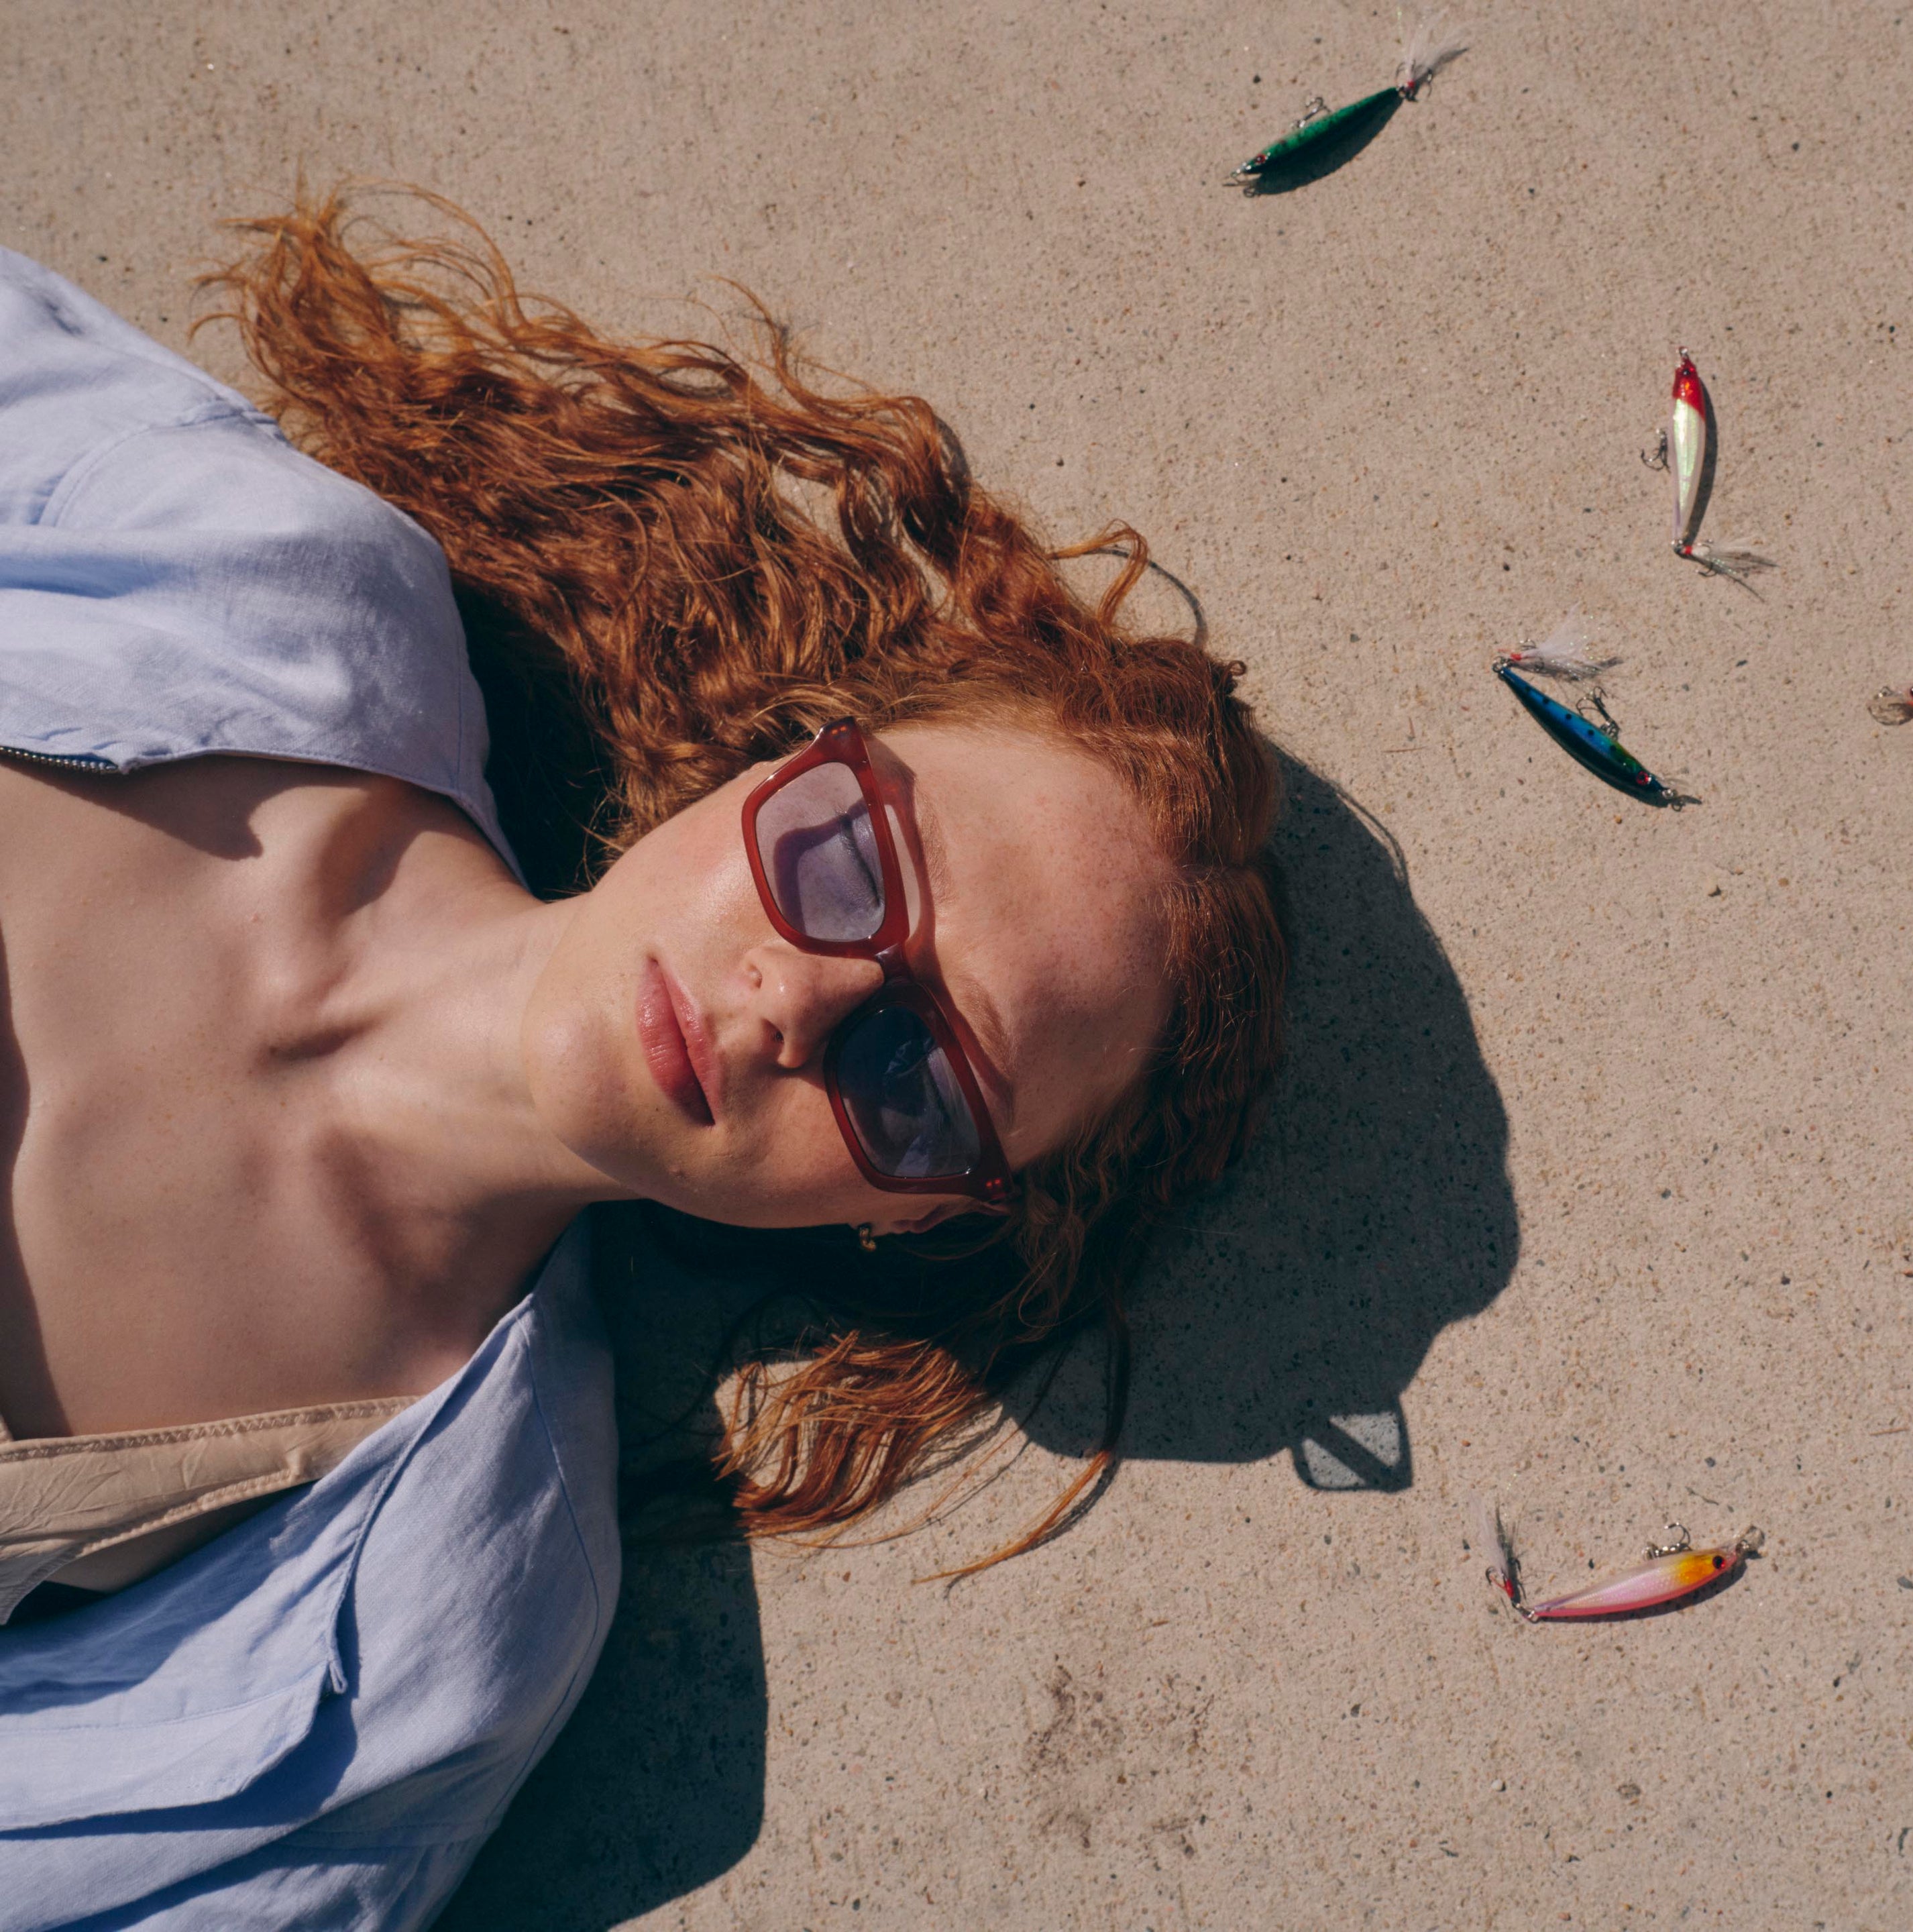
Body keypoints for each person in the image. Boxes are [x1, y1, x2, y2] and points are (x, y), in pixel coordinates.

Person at [0, 192, 1285, 1929]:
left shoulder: (414, 1629)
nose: (797, 1001)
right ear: (789, 756)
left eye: (918, 1077)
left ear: (915, 1215)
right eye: (854, 858)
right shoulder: (260, 579)